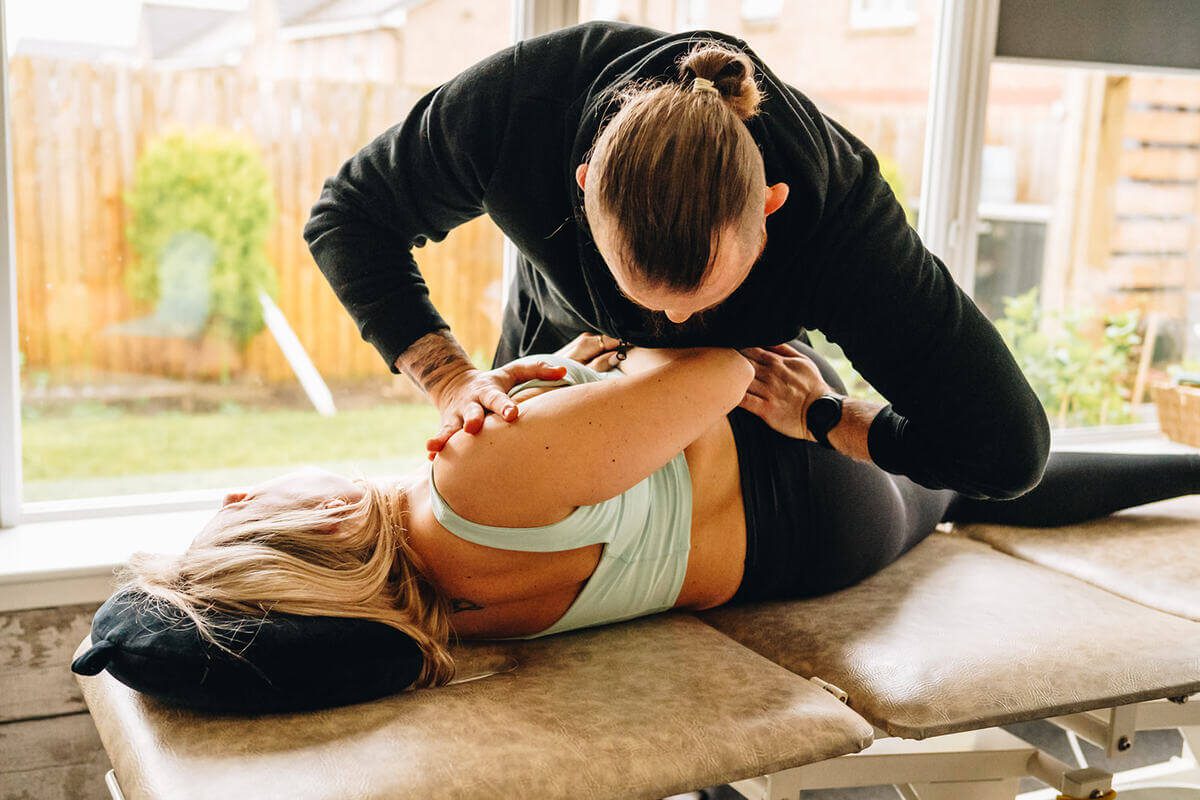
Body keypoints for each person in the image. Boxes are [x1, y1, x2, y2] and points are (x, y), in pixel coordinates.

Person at [115, 335, 1200, 689]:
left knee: (964, 489)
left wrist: (573, 377)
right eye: (245, 507)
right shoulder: (474, 483)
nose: (240, 484)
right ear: (307, 537)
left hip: (808, 555)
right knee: (972, 446)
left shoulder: (449, 622)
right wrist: (609, 356)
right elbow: (721, 364)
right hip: (798, 467)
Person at [302, 20, 1052, 504]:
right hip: (556, 344)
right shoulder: (518, 108)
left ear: (771, 208)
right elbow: (348, 216)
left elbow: (1006, 449)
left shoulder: (842, 227)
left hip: (740, 410)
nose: (672, 323)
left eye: (702, 296)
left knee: (942, 490)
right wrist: (450, 378)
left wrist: (827, 416)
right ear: (585, 186)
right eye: (648, 295)